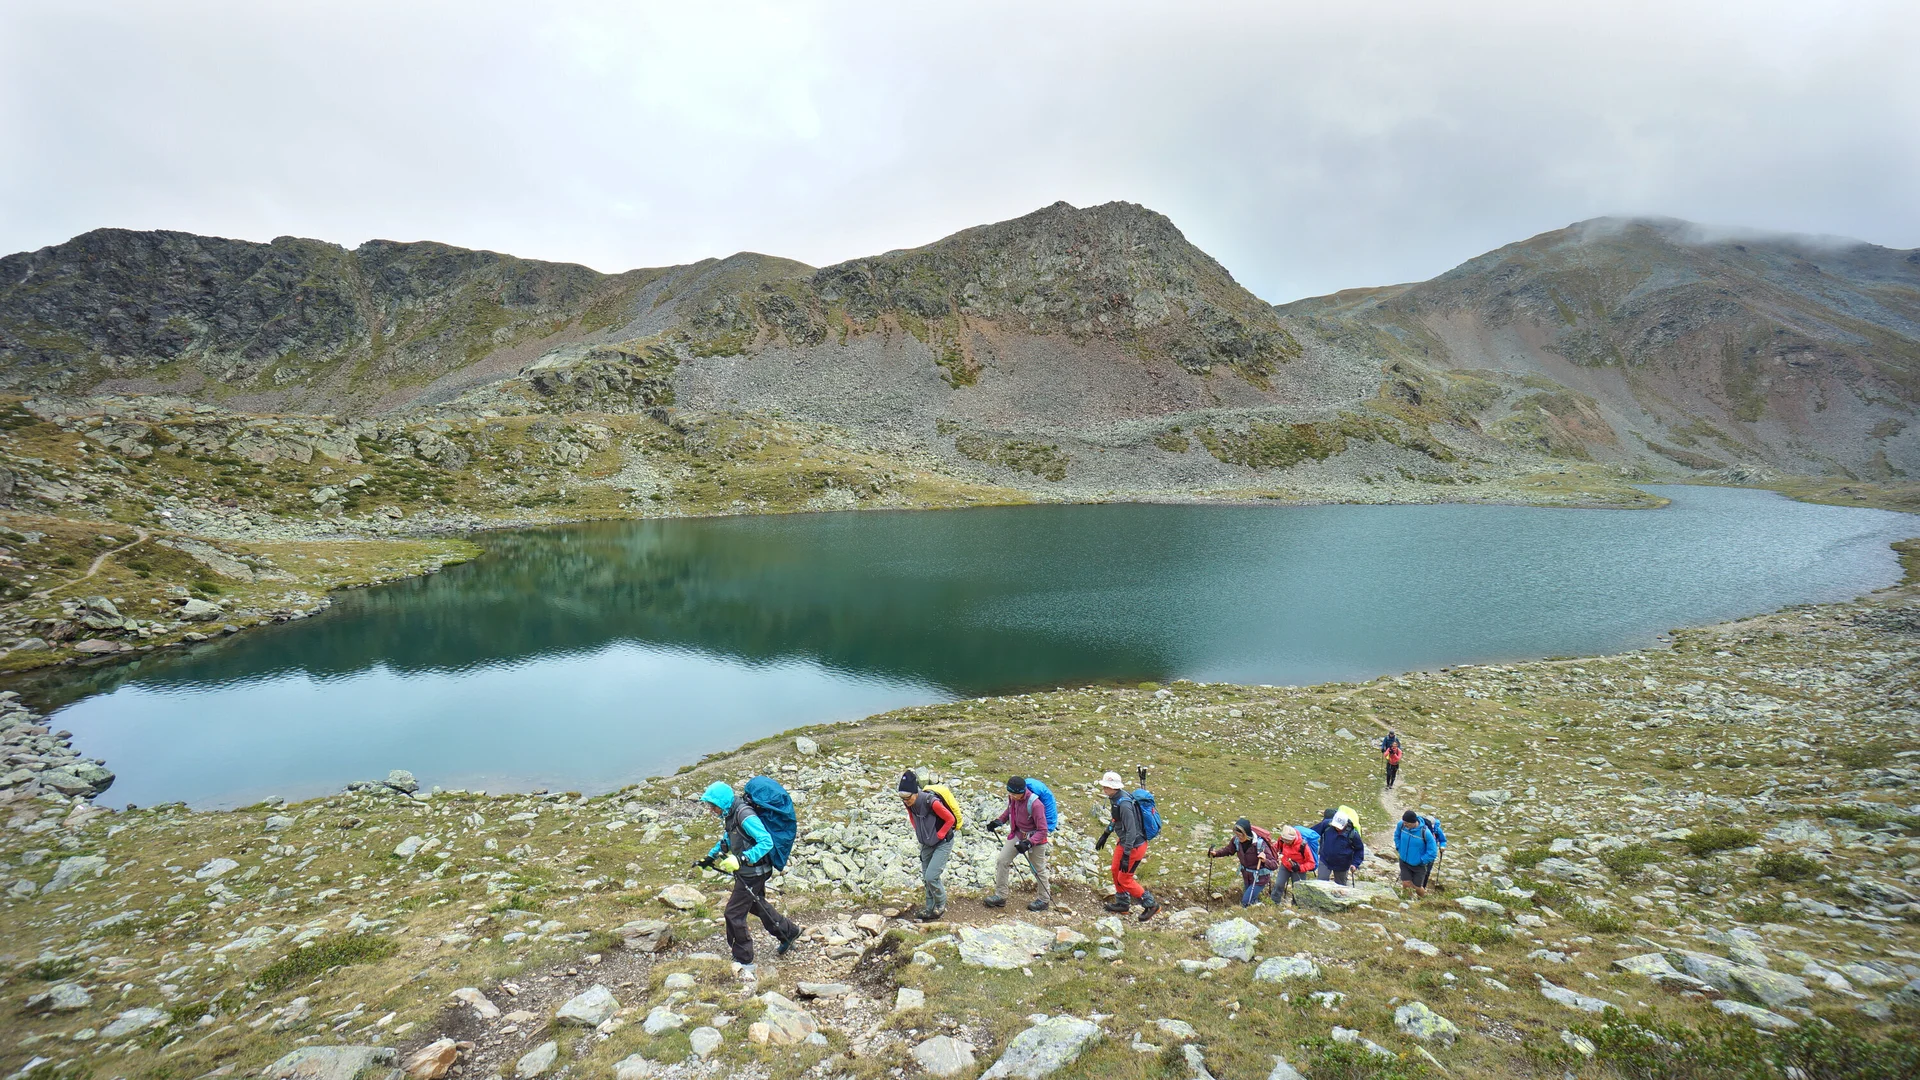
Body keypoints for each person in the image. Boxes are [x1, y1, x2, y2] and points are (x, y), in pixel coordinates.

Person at [698, 781, 801, 977]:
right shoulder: (730, 813)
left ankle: (744, 959)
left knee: (733, 913)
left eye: (713, 805)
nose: (711, 809)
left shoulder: (744, 815)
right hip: (750, 870)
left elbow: (766, 842)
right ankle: (788, 932)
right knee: (756, 904)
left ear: (722, 802)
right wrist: (709, 857)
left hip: (754, 871)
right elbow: (728, 840)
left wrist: (742, 858)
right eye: (709, 806)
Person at [1095, 770, 1159, 920]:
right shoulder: (1116, 798)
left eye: (1106, 786)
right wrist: (1106, 834)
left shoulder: (1124, 804)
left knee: (1125, 878)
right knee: (1115, 869)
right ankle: (1122, 903)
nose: (1104, 789)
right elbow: (1116, 819)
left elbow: (1132, 831)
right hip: (1124, 843)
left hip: (1134, 846)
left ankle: (1151, 904)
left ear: (1113, 787)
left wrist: (1127, 853)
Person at [984, 776, 1052, 911]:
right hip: (1018, 834)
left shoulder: (1036, 804)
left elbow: (1043, 830)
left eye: (1014, 794)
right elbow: (1010, 810)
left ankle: (1044, 899)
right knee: (1002, 860)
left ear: (1023, 791)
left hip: (1035, 840)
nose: (1012, 796)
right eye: (1010, 793)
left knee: (1038, 869)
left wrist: (1029, 843)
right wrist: (999, 821)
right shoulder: (1013, 798)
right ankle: (1000, 896)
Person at [899, 770, 955, 920]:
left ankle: (940, 904)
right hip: (926, 843)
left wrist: (940, 835)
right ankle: (929, 908)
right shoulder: (909, 803)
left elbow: (950, 819)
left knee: (931, 876)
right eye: (902, 798)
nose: (905, 801)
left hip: (943, 843)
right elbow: (912, 816)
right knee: (926, 877)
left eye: (907, 798)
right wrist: (919, 831)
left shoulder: (932, 802)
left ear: (915, 792)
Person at [1208, 818, 1274, 907]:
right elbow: (1228, 850)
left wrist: (1264, 860)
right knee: (1251, 899)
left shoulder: (1260, 844)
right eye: (1237, 835)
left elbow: (1274, 864)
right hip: (1247, 877)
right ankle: (1258, 912)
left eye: (1240, 835)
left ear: (1246, 833)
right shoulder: (1236, 841)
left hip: (1259, 878)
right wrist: (1216, 854)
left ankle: (1251, 914)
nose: (1238, 837)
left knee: (1245, 902)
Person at [1394, 809, 1439, 897]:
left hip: (1418, 865)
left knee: (1417, 886)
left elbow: (1433, 851)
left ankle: (1423, 899)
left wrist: (1422, 860)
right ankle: (1407, 901)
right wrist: (1399, 847)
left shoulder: (1425, 832)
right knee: (1406, 883)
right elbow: (1397, 835)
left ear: (1414, 822)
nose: (1405, 825)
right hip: (1404, 861)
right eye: (1404, 822)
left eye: (1408, 823)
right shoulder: (1401, 825)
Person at [1269, 824, 1317, 904]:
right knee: (1279, 884)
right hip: (1285, 865)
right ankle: (1274, 903)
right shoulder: (1282, 840)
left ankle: (1297, 905)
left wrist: (1300, 868)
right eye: (1284, 840)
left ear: (1293, 838)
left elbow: (1312, 863)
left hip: (1299, 870)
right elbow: (1275, 848)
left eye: (1288, 841)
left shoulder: (1303, 846)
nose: (1286, 842)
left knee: (1298, 889)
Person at [1317, 810, 1366, 886]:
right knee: (1320, 884)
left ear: (1345, 824)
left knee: (1340, 887)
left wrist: (1355, 864)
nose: (1337, 828)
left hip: (1342, 865)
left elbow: (1359, 850)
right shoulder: (1327, 825)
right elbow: (1313, 832)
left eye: (1339, 826)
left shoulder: (1353, 834)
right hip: (1325, 860)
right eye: (1335, 826)